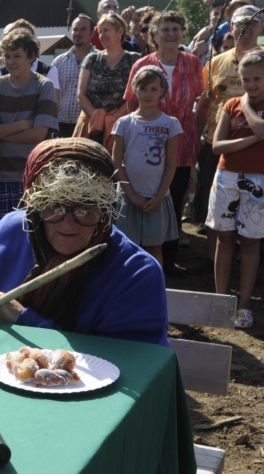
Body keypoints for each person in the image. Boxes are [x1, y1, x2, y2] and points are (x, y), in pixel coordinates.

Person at [0, 137, 170, 347]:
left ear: (106, 211)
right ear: (34, 206)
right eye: (54, 206)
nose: (69, 223)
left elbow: (124, 365)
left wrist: (22, 317)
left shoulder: (136, 274)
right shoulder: (5, 237)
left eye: (85, 209)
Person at [123, 11, 204, 278]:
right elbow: (131, 104)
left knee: (174, 202)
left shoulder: (193, 63)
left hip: (182, 145)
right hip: (145, 147)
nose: (171, 34)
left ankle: (167, 264)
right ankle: (138, 263)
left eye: (176, 29)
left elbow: (200, 103)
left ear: (183, 33)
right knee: (142, 200)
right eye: (165, 29)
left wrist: (199, 135)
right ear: (154, 35)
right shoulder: (142, 64)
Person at [193, 5, 263, 275]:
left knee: (256, 211)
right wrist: (196, 142)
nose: (244, 29)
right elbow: (204, 103)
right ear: (230, 28)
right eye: (238, 24)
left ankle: (252, 265)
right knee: (216, 212)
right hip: (216, 145)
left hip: (260, 147)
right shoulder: (216, 62)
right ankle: (213, 260)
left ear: (261, 27)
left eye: (251, 23)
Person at [208, 51, 264, 328]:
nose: (250, 85)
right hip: (226, 176)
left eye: (257, 79)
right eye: (245, 79)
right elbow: (218, 146)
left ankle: (244, 305)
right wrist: (255, 137)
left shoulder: (242, 103)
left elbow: (261, 127)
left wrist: (248, 105)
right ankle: (221, 301)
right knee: (224, 239)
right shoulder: (231, 104)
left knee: (251, 243)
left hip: (259, 181)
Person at [0, 30, 58, 225]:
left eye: (17, 56)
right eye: (7, 56)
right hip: (0, 174)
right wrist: (21, 125)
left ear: (31, 57)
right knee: (2, 233)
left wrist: (2, 131)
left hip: (34, 174)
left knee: (33, 234)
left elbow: (39, 134)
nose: (11, 62)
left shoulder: (44, 86)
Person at [112, 66, 181, 267]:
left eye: (153, 89)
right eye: (143, 88)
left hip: (156, 198)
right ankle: (125, 288)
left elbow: (172, 164)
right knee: (126, 246)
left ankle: (154, 286)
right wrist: (132, 195)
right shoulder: (124, 123)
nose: (148, 94)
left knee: (154, 248)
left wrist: (159, 196)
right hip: (128, 196)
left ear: (162, 91)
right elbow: (116, 162)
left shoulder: (171, 124)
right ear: (134, 90)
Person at [76, 13, 140, 148]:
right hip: (92, 128)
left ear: (120, 31)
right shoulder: (91, 59)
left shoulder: (133, 60)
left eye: (106, 30)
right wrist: (97, 117)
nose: (102, 35)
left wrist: (115, 118)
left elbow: (135, 95)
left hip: (122, 127)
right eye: (100, 31)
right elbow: (81, 94)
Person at [52, 14, 97, 138]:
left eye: (83, 29)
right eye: (75, 29)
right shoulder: (58, 62)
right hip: (61, 125)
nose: (78, 33)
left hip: (88, 124)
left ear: (92, 33)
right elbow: (51, 94)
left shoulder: (100, 60)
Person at [190, 0, 226, 65]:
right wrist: (195, 54)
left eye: (223, 13)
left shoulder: (236, 37)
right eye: (216, 14)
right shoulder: (200, 39)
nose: (219, 17)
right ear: (210, 19)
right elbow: (185, 66)